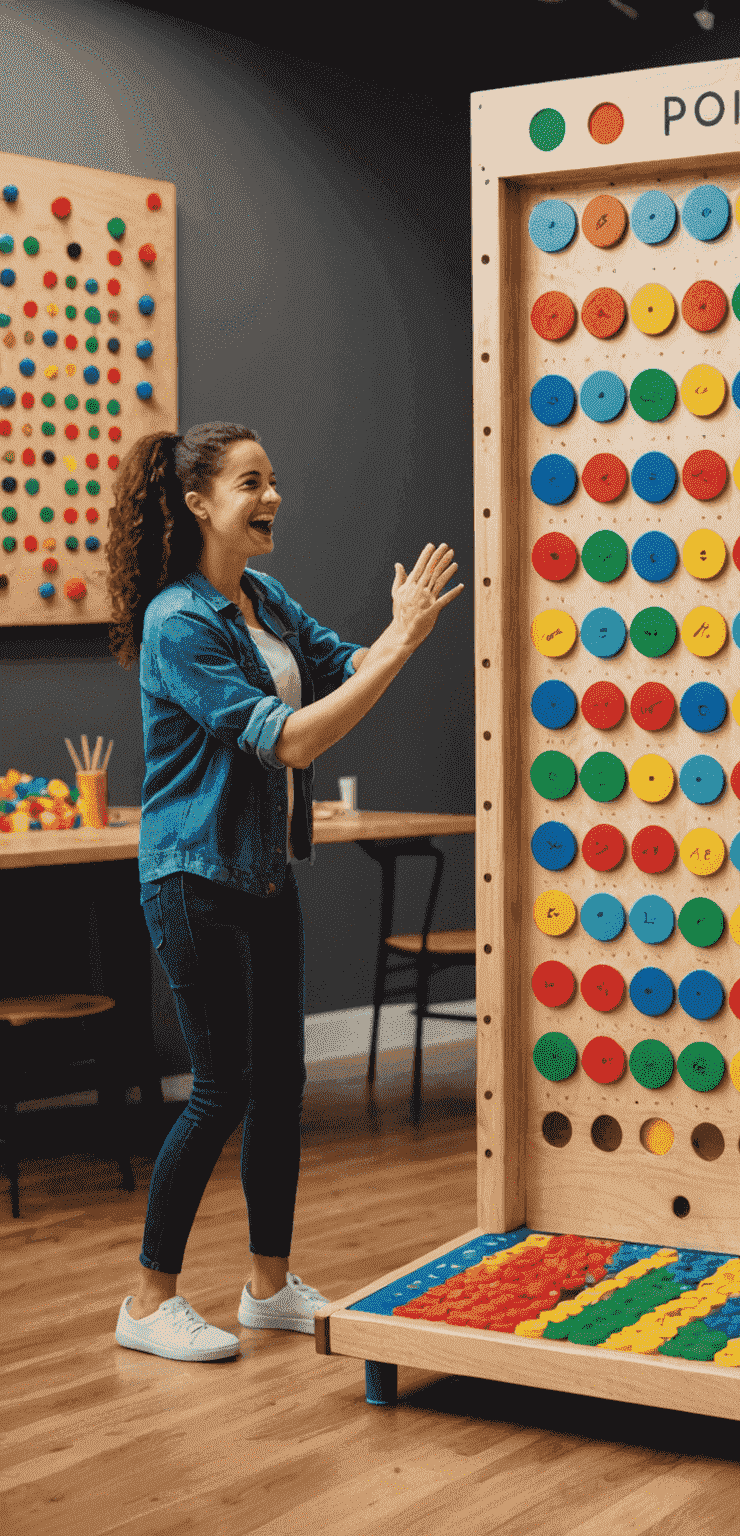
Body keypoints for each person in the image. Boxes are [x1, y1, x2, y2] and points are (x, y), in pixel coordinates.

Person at [105, 422, 462, 1363]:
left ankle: (267, 1287)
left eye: (275, 480)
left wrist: (393, 631)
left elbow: (345, 668)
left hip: (263, 870)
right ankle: (147, 1301)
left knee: (282, 1085)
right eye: (252, 482)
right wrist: (401, 642)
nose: (272, 498)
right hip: (191, 875)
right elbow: (291, 737)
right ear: (197, 503)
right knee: (221, 1087)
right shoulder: (178, 621)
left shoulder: (259, 597)